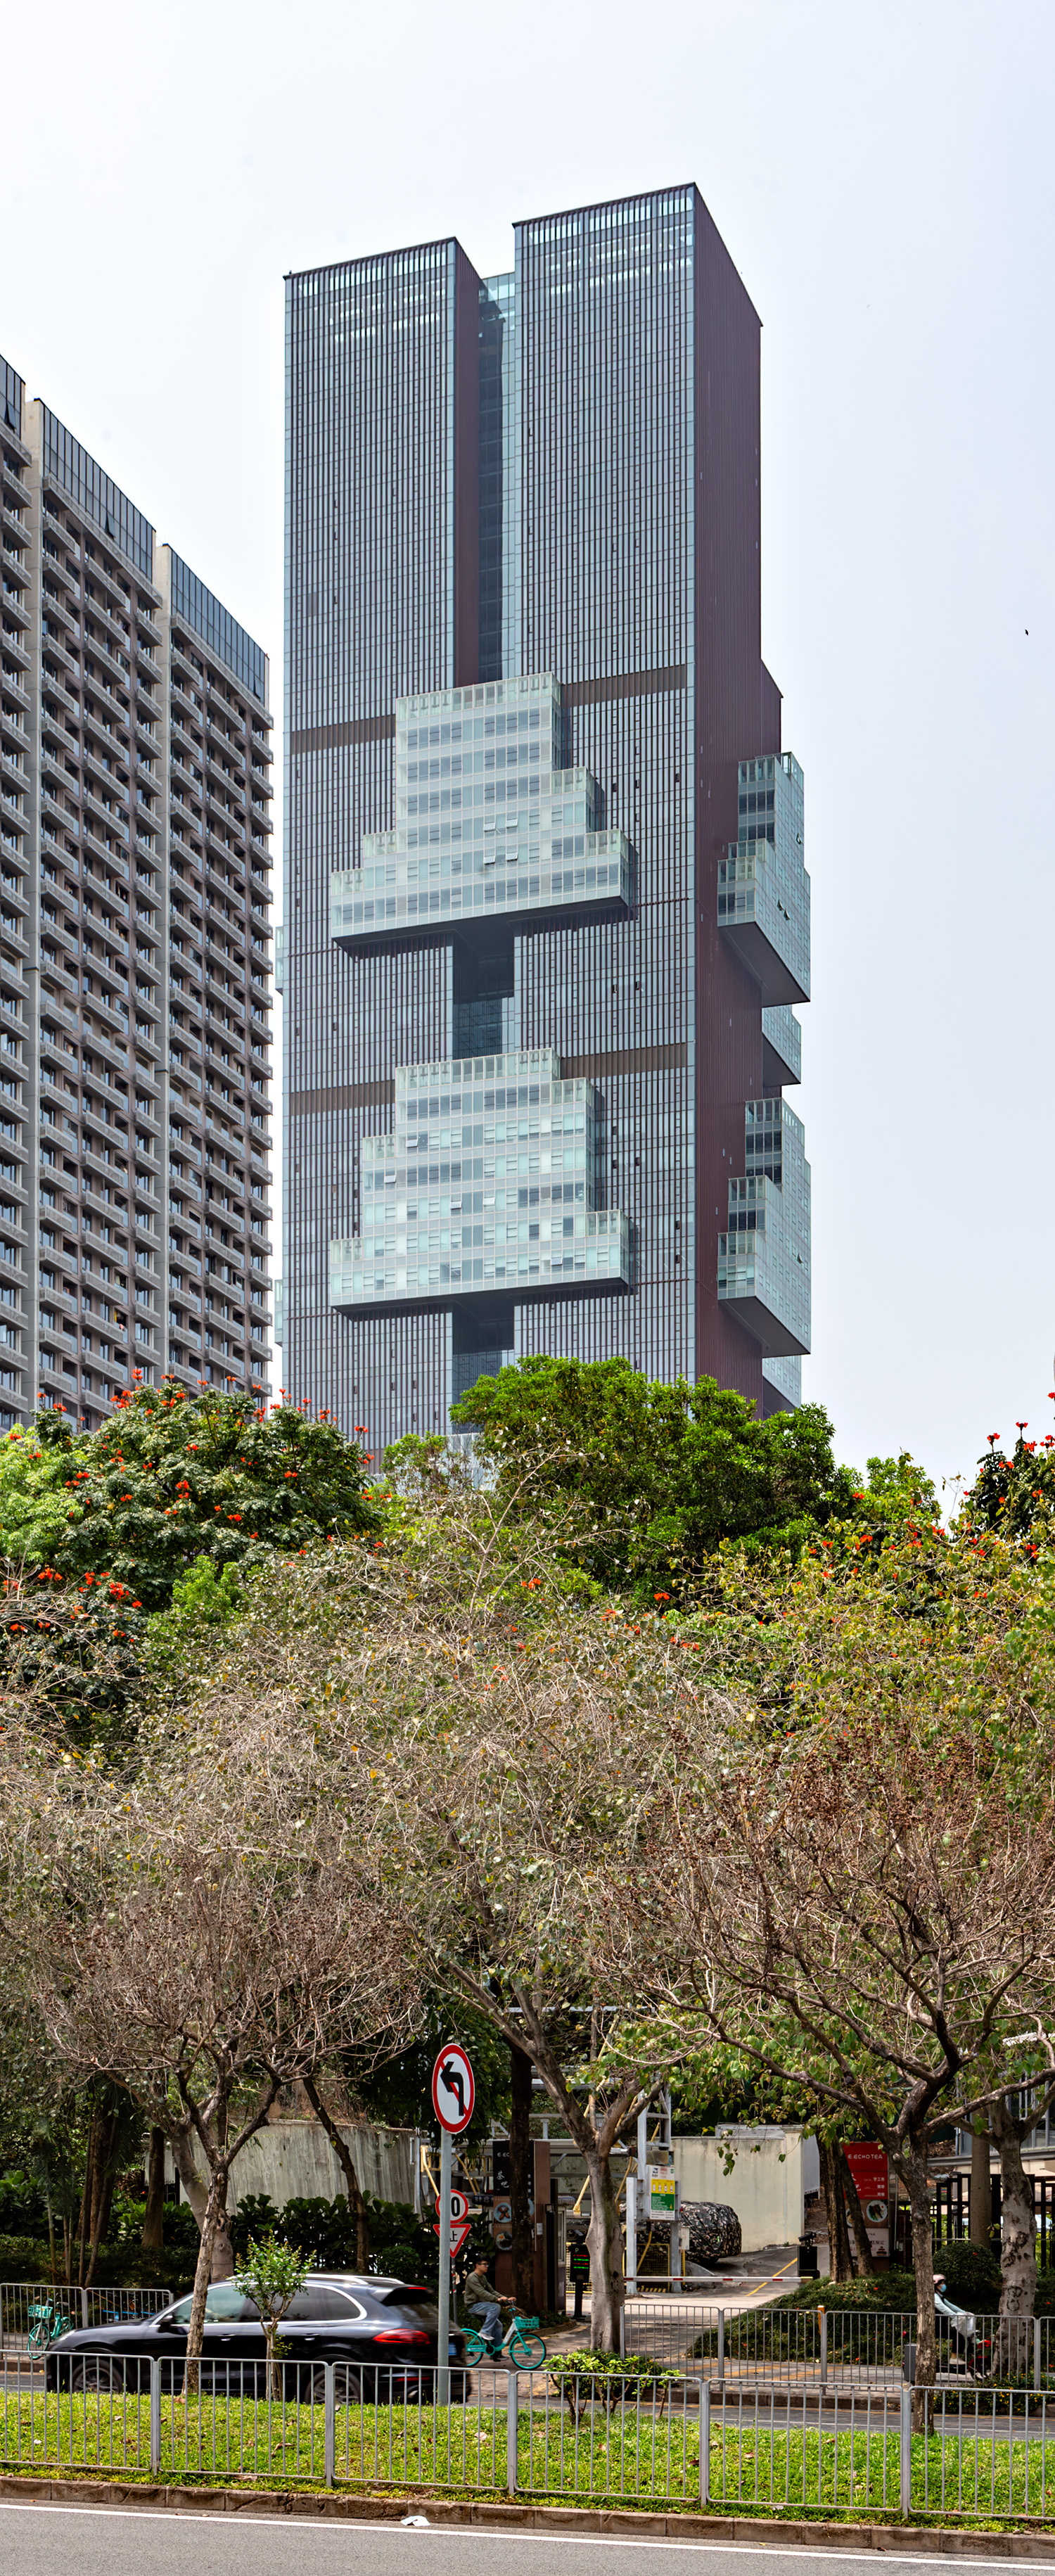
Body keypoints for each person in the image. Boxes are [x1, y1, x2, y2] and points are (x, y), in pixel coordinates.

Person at [463, 2257, 503, 2351]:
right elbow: (481, 2292)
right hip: (473, 2306)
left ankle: (496, 2352)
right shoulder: (472, 2277)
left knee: (498, 2326)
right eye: (485, 2264)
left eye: (487, 2264)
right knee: (495, 2307)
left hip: (482, 2306)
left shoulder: (483, 2278)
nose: (486, 2266)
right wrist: (497, 2299)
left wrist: (505, 2298)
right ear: (477, 2265)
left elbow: (491, 2291)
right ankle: (485, 2332)